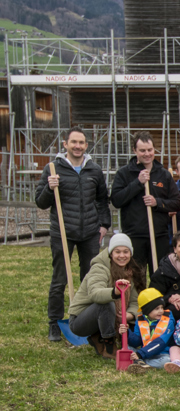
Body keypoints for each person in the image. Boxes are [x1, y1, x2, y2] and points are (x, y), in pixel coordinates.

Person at [36, 128, 111, 341]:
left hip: (89, 231)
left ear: (86, 145)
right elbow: (40, 202)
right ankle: (54, 323)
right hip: (63, 231)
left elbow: (102, 199)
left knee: (91, 278)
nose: (78, 146)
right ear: (65, 144)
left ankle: (87, 321)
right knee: (59, 279)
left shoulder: (93, 169)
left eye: (82, 142)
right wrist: (50, 188)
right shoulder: (53, 168)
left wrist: (104, 224)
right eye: (74, 142)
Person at [110, 131, 180, 277]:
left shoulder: (164, 174)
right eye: (142, 150)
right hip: (134, 236)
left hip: (158, 235)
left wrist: (157, 203)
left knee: (160, 277)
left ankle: (158, 300)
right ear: (135, 151)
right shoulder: (124, 174)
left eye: (150, 150)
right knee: (136, 278)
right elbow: (116, 200)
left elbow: (176, 202)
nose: (147, 154)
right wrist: (138, 183)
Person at [68, 233, 144, 358]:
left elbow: (135, 302)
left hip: (112, 317)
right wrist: (114, 292)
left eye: (126, 252)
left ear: (131, 253)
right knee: (106, 303)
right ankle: (109, 346)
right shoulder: (99, 268)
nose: (122, 256)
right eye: (117, 252)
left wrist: (128, 315)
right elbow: (95, 293)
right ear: (111, 253)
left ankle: (97, 338)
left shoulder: (131, 271)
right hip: (80, 321)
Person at [124, 288, 176, 374]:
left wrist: (140, 354)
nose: (161, 311)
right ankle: (142, 363)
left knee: (167, 360)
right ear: (147, 311)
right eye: (156, 308)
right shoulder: (140, 320)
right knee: (128, 348)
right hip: (144, 352)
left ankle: (142, 364)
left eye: (162, 307)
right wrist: (127, 332)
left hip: (161, 354)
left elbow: (160, 343)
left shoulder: (169, 320)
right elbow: (136, 342)